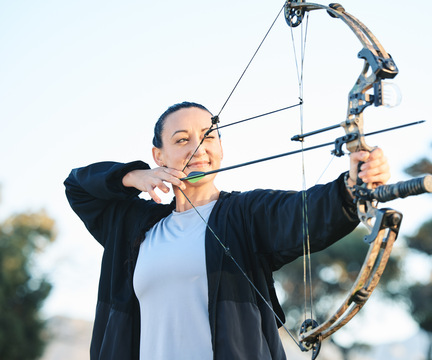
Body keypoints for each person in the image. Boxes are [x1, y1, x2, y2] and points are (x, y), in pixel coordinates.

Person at [64, 101, 390, 359]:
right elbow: (78, 187)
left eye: (209, 136)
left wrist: (353, 185)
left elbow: (308, 212)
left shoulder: (246, 215)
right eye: (182, 140)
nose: (198, 148)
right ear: (158, 156)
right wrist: (132, 176)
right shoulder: (135, 225)